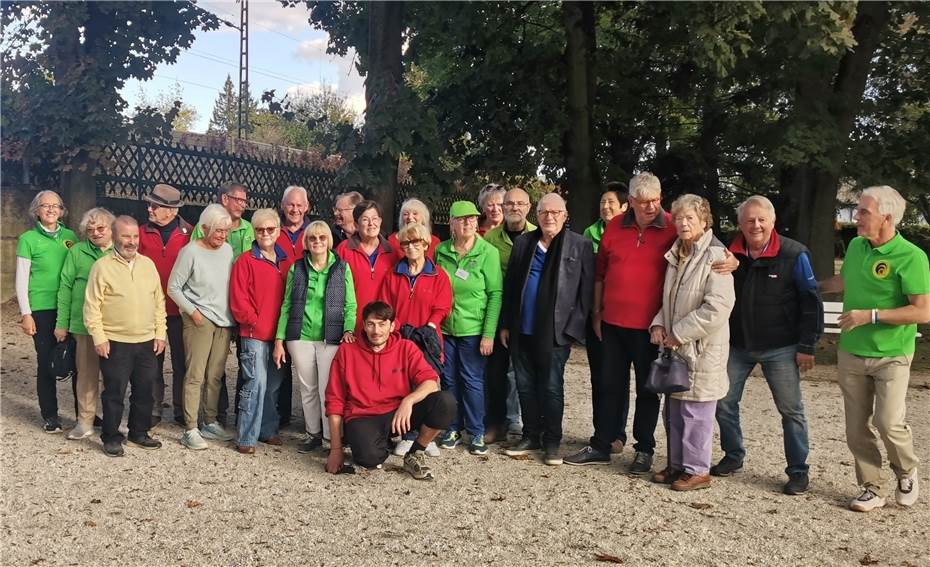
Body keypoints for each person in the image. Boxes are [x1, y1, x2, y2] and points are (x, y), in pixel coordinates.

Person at [564, 173, 737, 473]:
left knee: (649, 389)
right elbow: (601, 273)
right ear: (629, 202)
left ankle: (644, 448)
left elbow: (704, 239)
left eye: (656, 200)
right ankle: (602, 443)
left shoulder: (672, 224)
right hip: (613, 323)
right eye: (644, 202)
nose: (651, 207)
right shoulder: (614, 227)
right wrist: (596, 312)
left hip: (651, 327)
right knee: (609, 386)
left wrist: (733, 258)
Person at [820, 185, 929, 512]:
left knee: (887, 422)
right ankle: (873, 487)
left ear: (887, 217)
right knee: (856, 428)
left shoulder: (911, 257)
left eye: (864, 211)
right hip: (852, 352)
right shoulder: (856, 246)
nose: (857, 217)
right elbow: (847, 281)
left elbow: (923, 311)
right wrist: (811, 287)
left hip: (892, 354)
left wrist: (872, 316)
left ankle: (907, 470)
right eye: (858, 210)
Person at [714, 195, 823, 495]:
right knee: (723, 402)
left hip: (782, 346)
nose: (756, 225)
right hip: (738, 344)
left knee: (791, 410)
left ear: (773, 221)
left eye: (761, 219)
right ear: (739, 223)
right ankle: (733, 455)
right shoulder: (726, 252)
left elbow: (811, 302)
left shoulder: (794, 253)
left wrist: (807, 345)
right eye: (749, 220)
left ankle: (798, 470)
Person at [648, 194, 735, 491]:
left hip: (701, 349)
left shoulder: (716, 256)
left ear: (704, 221)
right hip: (678, 348)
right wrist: (659, 323)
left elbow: (717, 309)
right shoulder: (678, 252)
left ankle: (697, 469)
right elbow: (671, 300)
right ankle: (677, 464)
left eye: (690, 219)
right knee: (673, 410)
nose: (683, 224)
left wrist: (679, 333)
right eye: (679, 218)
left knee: (696, 412)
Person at [500, 193, 594, 465]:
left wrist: (572, 331)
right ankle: (531, 435)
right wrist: (506, 324)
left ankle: (552, 441)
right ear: (536, 215)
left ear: (565, 216)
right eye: (543, 212)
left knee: (551, 387)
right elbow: (511, 286)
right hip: (522, 329)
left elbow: (585, 293)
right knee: (525, 386)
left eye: (555, 212)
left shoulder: (580, 245)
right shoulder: (524, 243)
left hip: (555, 333)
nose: (549, 217)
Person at [324, 301, 457, 480]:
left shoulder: (406, 348)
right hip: (363, 415)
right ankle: (379, 443)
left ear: (392, 325)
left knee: (445, 403)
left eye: (382, 324)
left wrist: (408, 400)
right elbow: (334, 399)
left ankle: (415, 453)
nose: (376, 331)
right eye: (371, 324)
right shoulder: (347, 351)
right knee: (368, 459)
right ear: (363, 325)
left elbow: (431, 382)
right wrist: (336, 449)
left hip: (397, 414)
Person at [83, 216, 166, 457]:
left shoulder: (148, 265)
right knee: (114, 392)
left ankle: (138, 432)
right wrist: (99, 337)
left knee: (145, 389)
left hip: (147, 340)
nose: (131, 242)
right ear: (114, 235)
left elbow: (158, 301)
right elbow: (92, 306)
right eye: (125, 236)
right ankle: (110, 436)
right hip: (115, 341)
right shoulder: (102, 267)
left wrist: (160, 333)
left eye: (135, 236)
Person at [275, 221, 357, 453]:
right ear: (307, 242)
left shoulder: (342, 267)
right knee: (308, 388)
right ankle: (312, 433)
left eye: (322, 238)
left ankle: (331, 438)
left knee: (327, 389)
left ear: (329, 241)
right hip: (299, 336)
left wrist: (349, 329)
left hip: (331, 337)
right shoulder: (297, 268)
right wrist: (280, 339)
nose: (318, 242)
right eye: (313, 238)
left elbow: (350, 305)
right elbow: (287, 304)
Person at [434, 201, 503, 455]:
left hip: (473, 329)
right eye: (462, 219)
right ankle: (452, 427)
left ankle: (476, 431)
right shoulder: (441, 251)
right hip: (446, 329)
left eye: (473, 219)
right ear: (451, 222)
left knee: (472, 380)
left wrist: (488, 334)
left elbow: (495, 294)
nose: (468, 223)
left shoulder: (488, 252)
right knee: (448, 379)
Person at [380, 222, 453, 457]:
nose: (411, 247)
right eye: (406, 243)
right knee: (402, 386)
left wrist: (430, 325)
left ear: (425, 244)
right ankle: (407, 434)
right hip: (400, 337)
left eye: (416, 242)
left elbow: (443, 305)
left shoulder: (438, 274)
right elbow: (386, 306)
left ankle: (426, 436)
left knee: (429, 386)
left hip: (428, 337)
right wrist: (396, 327)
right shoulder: (393, 275)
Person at [168, 204, 236, 450]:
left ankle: (210, 420)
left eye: (226, 231)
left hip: (223, 320)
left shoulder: (228, 250)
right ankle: (190, 427)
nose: (222, 236)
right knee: (195, 374)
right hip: (200, 319)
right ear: (204, 228)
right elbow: (173, 287)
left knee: (215, 374)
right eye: (218, 231)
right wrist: (194, 313)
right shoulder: (190, 252)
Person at [190, 181, 254, 423]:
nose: (242, 205)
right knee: (212, 362)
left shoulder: (249, 229)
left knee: (244, 359)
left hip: (241, 302)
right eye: (238, 199)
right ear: (224, 199)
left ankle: (242, 410)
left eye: (244, 201)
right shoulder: (203, 226)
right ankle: (215, 412)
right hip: (213, 303)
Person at [16, 190, 78, 432]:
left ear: (62, 210)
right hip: (42, 308)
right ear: (36, 210)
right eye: (45, 206)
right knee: (46, 363)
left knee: (78, 363)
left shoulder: (71, 237)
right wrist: (26, 313)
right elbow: (21, 280)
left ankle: (84, 414)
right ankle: (50, 415)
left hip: (70, 308)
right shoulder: (28, 239)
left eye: (56, 205)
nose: (51, 209)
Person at [229, 209, 288, 454]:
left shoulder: (286, 261)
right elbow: (238, 299)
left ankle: (267, 429)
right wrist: (253, 321)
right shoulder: (245, 260)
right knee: (255, 384)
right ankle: (246, 436)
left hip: (279, 336)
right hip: (254, 334)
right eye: (260, 230)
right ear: (254, 231)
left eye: (270, 229)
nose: (265, 234)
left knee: (273, 385)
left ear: (278, 231)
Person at [54, 207, 115, 440]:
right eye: (90, 230)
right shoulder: (77, 252)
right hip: (84, 324)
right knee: (87, 376)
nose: (96, 233)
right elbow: (65, 286)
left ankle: (112, 421)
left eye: (101, 228)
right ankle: (85, 421)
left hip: (115, 326)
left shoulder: (121, 251)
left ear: (111, 228)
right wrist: (62, 323)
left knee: (114, 377)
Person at [482, 187, 536, 443]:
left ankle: (519, 421)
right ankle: (495, 422)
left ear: (528, 207)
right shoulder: (490, 239)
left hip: (528, 313)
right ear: (503, 208)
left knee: (523, 371)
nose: (514, 208)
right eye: (509, 204)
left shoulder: (540, 235)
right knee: (496, 370)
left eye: (519, 204)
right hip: (497, 311)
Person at [139, 183, 192, 426]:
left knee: (182, 362)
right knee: (152, 362)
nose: (149, 208)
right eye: (150, 204)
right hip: (150, 309)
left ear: (170, 211)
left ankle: (182, 409)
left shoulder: (189, 234)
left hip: (180, 310)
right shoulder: (140, 233)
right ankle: (153, 408)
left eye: (155, 206)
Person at [582, 182, 629, 455]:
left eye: (611, 202)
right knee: (598, 376)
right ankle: (601, 429)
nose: (605, 207)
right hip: (595, 313)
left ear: (625, 206)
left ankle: (617, 433)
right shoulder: (590, 233)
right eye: (602, 202)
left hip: (620, 316)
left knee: (618, 377)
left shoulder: (627, 232)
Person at [274, 185, 324, 428]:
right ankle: (280, 418)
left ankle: (315, 425)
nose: (294, 209)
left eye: (299, 205)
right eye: (290, 204)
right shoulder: (273, 230)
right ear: (283, 206)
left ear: (307, 207)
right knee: (280, 369)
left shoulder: (315, 233)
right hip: (278, 303)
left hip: (305, 312)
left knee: (314, 377)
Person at [335, 200, 400, 329]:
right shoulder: (343, 250)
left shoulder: (393, 253)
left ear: (380, 222)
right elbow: (335, 291)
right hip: (351, 325)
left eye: (374, 219)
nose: (371, 223)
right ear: (356, 225)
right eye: (365, 220)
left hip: (382, 328)